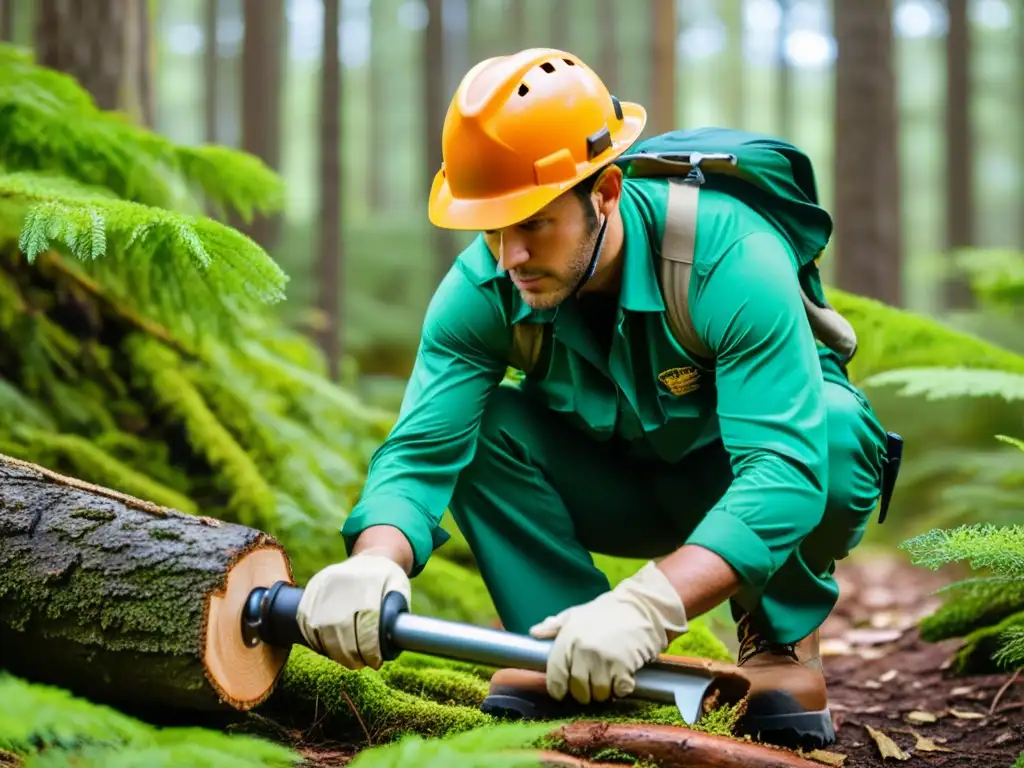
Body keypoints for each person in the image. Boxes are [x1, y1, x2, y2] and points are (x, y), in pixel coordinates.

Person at [294, 48, 890, 749]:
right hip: (615, 485)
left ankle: (777, 636)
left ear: (605, 192)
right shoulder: (483, 287)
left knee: (834, 429)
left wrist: (648, 607)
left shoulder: (730, 256)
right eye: (490, 227)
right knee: (480, 426)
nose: (508, 256)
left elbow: (785, 471)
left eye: (534, 222)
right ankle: (559, 639)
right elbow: (423, 452)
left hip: (745, 487)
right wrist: (376, 558)